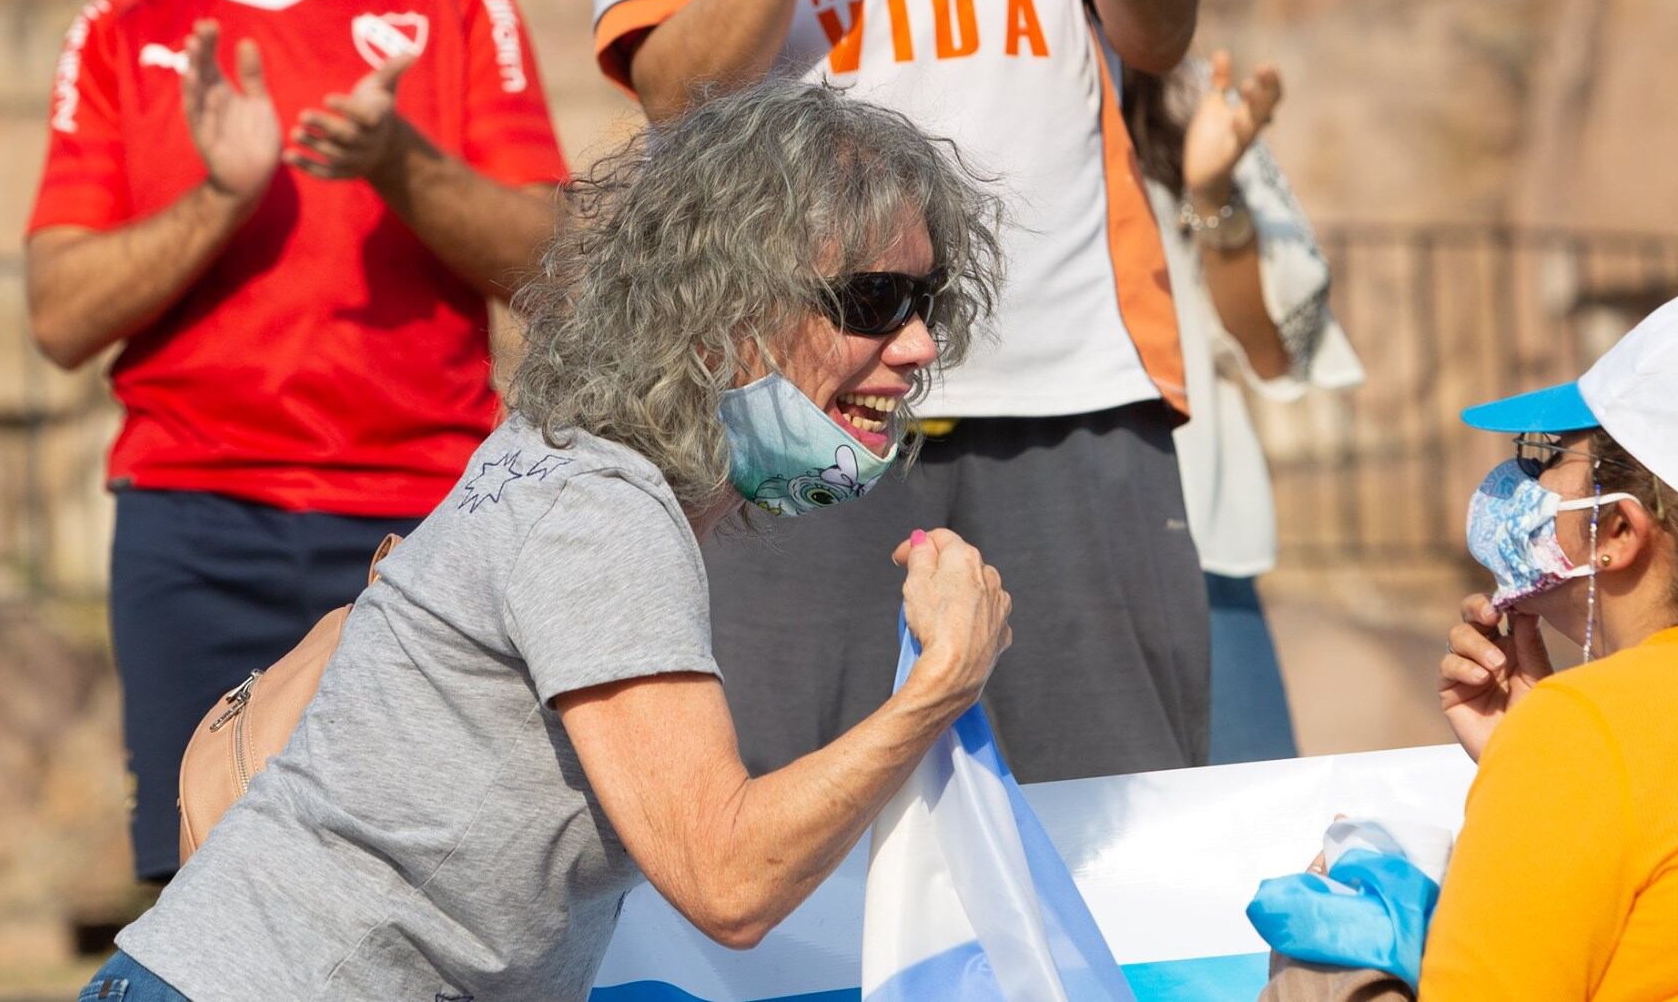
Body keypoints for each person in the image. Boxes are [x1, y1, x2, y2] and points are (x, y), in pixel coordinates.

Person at [78, 79, 1014, 1000]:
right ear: (730, 305)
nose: (921, 344)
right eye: (875, 298)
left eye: (925, 298)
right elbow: (729, 880)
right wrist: (940, 684)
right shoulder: (599, 511)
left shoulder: (563, 459)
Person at [590, 0, 1228, 781]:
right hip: (793, 401)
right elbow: (673, 97)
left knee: (1115, 813)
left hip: (1068, 377)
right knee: (788, 809)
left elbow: (1160, 34)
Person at [24, 0, 566, 882]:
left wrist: (398, 163)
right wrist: (220, 196)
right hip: (191, 531)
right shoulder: (122, 36)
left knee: (437, 884)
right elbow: (58, 313)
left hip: (418, 523)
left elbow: (560, 268)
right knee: (204, 899)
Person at [1265, 289, 1678, 999]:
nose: (1527, 477)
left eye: (1553, 456)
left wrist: (1548, 752)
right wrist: (1531, 762)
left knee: (1326, 946)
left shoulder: (1586, 730)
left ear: (1619, 530)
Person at [1125, 51, 1362, 764]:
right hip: (978, 539)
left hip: (1191, 545)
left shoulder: (1191, 92)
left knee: (1251, 836)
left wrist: (1212, 192)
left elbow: (1270, 352)